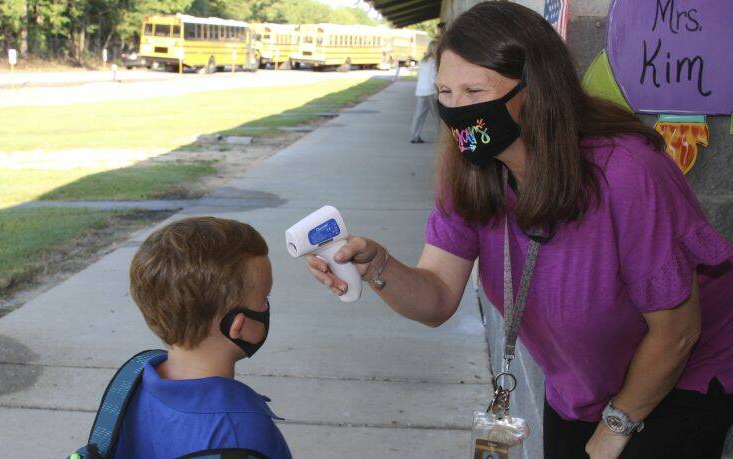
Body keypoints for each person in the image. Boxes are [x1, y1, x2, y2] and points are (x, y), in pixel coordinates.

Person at [304, 3, 733, 459]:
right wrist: (378, 266)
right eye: (445, 92)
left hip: (677, 378)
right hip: (581, 384)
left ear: (537, 91)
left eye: (474, 90)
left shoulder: (629, 174)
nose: (455, 110)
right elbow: (436, 300)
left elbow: (677, 332)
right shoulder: (469, 172)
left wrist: (617, 425)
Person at [114, 217, 292, 459]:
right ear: (237, 325)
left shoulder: (131, 381)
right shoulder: (238, 436)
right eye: (264, 298)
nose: (266, 307)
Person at [409, 41, 438, 144]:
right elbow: (434, 77)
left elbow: (418, 76)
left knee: (419, 115)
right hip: (431, 91)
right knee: (437, 116)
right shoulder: (435, 61)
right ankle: (442, 138)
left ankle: (414, 136)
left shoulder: (423, 61)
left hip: (421, 91)